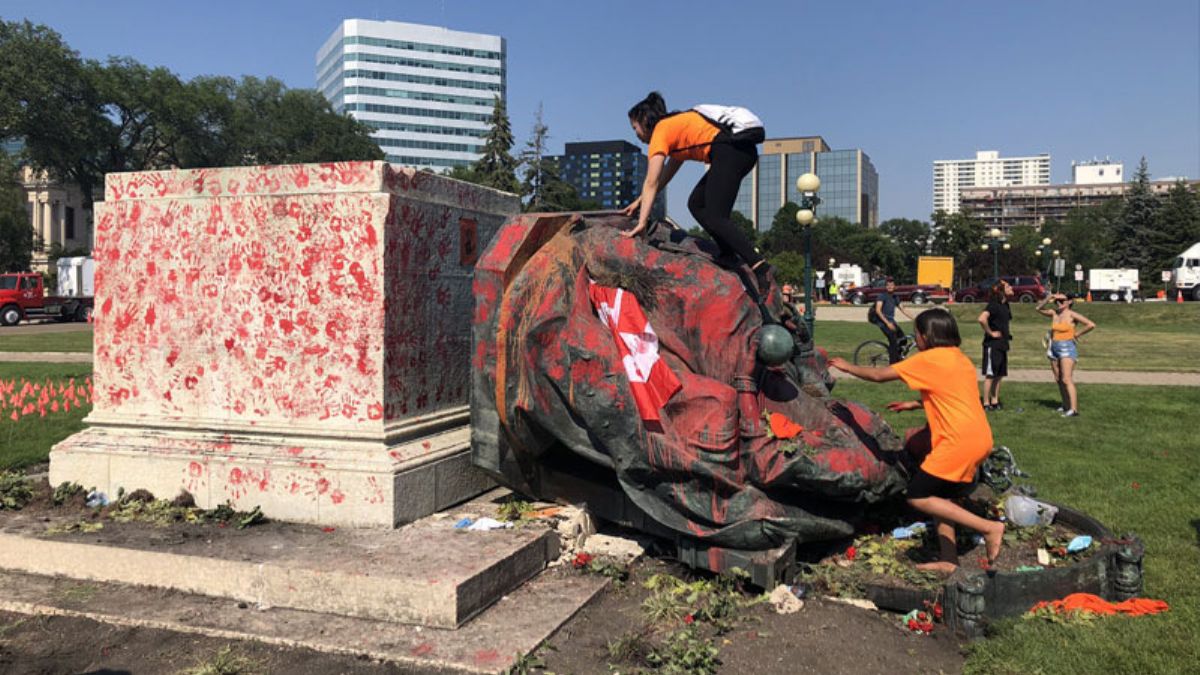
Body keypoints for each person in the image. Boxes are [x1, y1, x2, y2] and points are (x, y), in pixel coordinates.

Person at [829, 310, 1004, 573]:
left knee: (918, 496)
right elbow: (954, 395)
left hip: (956, 443)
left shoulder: (928, 359)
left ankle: (989, 528)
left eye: (916, 333)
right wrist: (915, 403)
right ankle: (949, 559)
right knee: (941, 498)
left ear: (925, 336)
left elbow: (880, 376)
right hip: (979, 438)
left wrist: (847, 366)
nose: (915, 339)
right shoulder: (959, 358)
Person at [621, 92, 772, 292]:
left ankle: (760, 266)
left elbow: (651, 180)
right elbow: (664, 176)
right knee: (697, 204)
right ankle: (727, 252)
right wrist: (640, 200)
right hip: (738, 151)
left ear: (645, 121)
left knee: (717, 216)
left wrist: (641, 223)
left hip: (730, 151)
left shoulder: (661, 131)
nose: (637, 135)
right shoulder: (675, 127)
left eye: (635, 128)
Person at [1036, 292, 1096, 417]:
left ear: (1069, 302)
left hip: (1066, 347)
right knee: (1058, 379)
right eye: (1056, 301)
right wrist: (1048, 298)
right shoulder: (1054, 313)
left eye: (1062, 301)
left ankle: (1073, 409)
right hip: (1054, 347)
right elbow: (1038, 308)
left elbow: (1091, 324)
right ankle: (1065, 405)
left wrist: (1077, 334)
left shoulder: (1072, 315)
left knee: (1066, 378)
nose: (1058, 303)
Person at [978, 280, 1013, 411]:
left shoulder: (1006, 305)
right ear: (1001, 290)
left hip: (1002, 344)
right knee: (990, 374)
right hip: (992, 345)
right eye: (1008, 286)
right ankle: (986, 403)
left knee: (999, 375)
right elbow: (981, 318)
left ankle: (995, 401)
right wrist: (990, 333)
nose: (1011, 288)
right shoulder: (993, 305)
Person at [871, 278, 916, 364]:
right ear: (885, 287)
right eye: (888, 285)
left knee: (903, 340)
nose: (890, 286)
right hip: (883, 322)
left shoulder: (895, 297)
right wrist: (887, 323)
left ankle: (897, 357)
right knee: (893, 341)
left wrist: (914, 318)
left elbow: (903, 309)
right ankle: (892, 364)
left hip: (891, 321)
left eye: (891, 285)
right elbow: (878, 310)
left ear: (895, 286)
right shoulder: (882, 296)